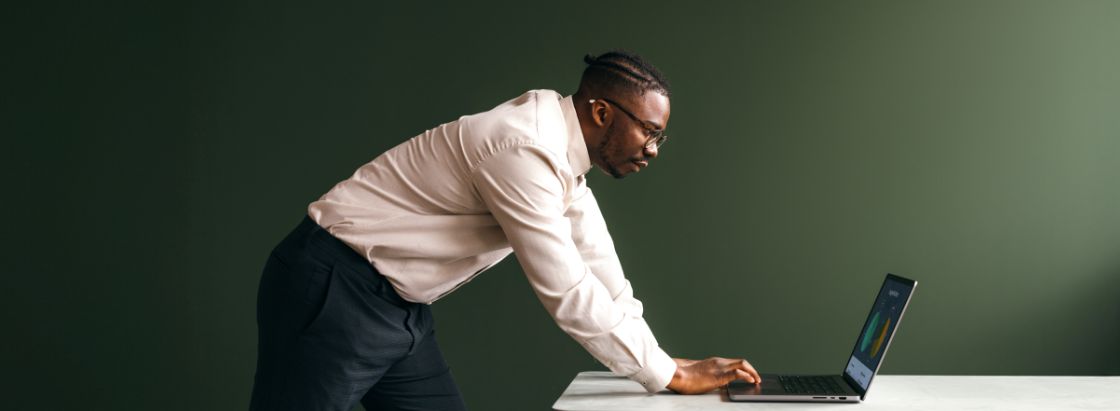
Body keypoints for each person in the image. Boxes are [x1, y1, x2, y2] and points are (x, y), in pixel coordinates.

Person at [249, 50, 761, 411]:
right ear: (602, 112)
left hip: (397, 309)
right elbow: (568, 291)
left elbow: (601, 270)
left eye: (659, 137)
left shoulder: (560, 152)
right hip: (334, 289)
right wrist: (667, 374)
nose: (652, 149)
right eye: (649, 132)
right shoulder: (524, 149)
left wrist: (664, 364)